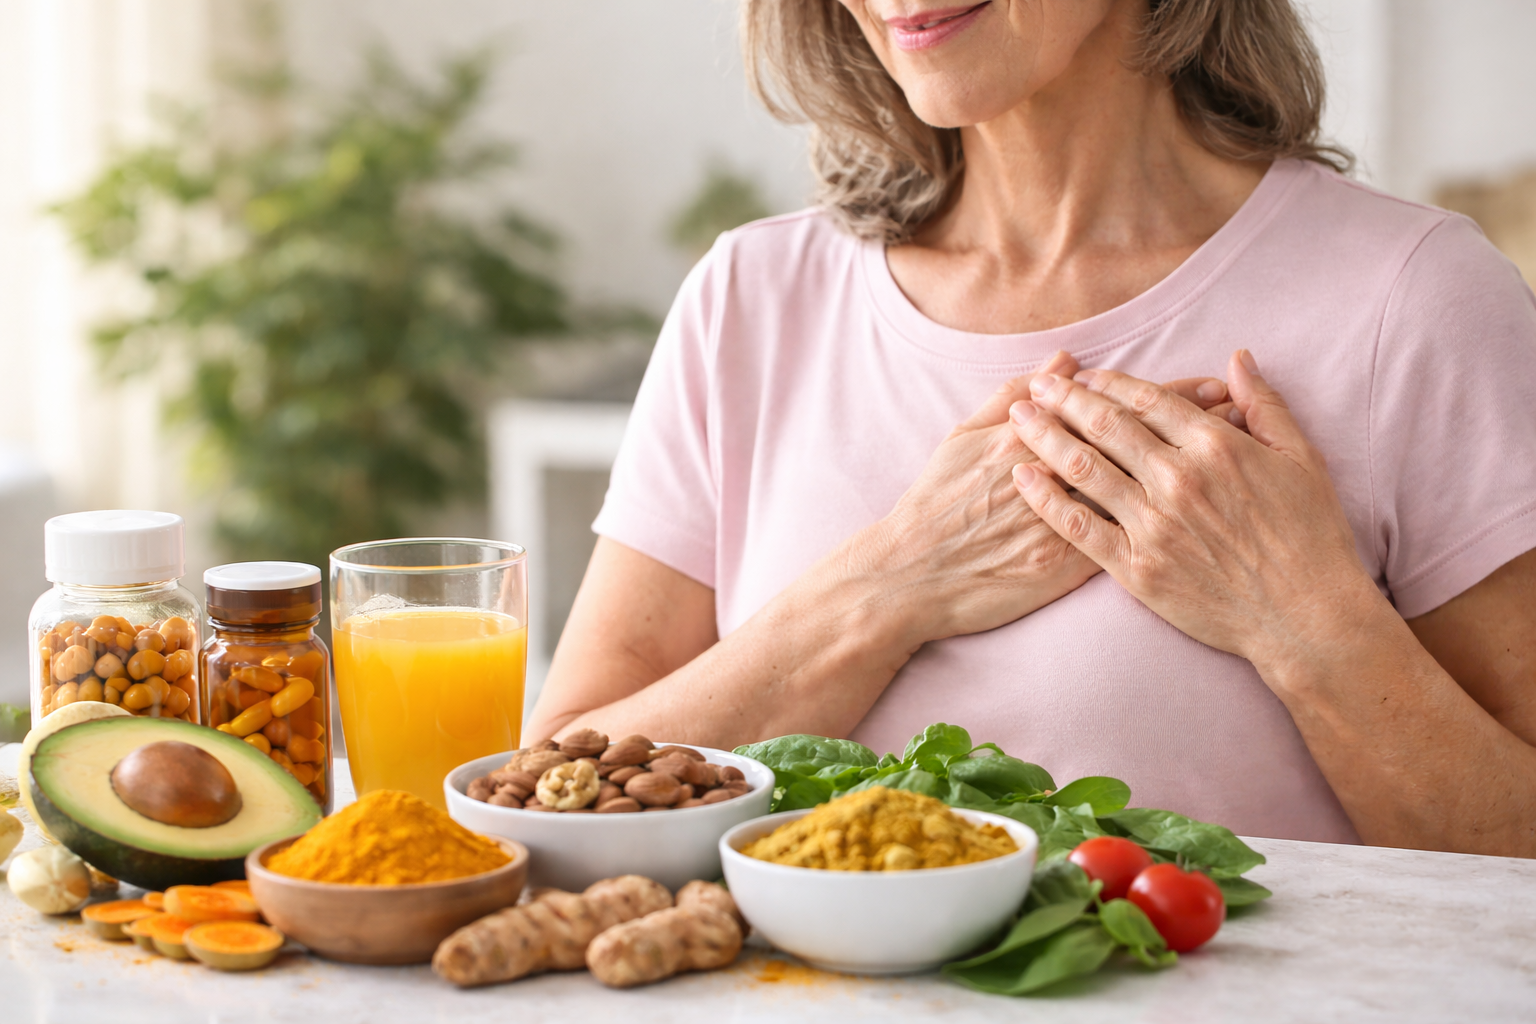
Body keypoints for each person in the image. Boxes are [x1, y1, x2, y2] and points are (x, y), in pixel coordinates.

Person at [526, 0, 1536, 857]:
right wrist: (886, 588)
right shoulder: (750, 300)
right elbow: (544, 796)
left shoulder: (1414, 300)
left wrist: (1303, 624)